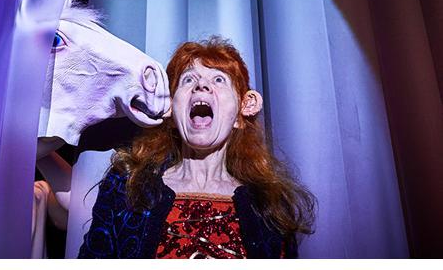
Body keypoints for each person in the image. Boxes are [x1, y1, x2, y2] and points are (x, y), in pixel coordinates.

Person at [78, 37, 316, 259]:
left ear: (240, 113)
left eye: (219, 79)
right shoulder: (128, 187)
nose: (202, 84)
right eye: (188, 79)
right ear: (171, 110)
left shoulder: (269, 204)